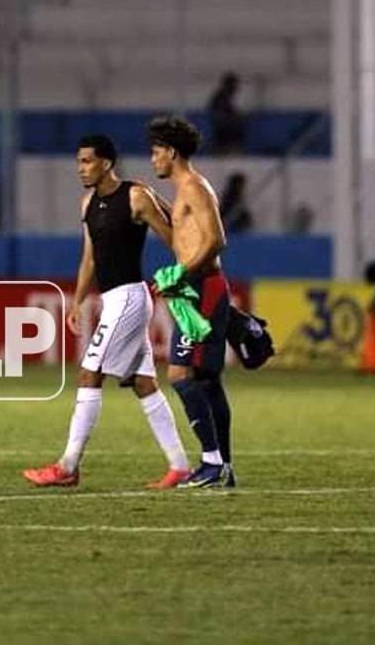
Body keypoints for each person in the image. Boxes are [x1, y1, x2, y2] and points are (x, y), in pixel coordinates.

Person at [22, 134, 191, 489]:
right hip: (112, 299)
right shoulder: (87, 204)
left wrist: (183, 274)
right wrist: (78, 300)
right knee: (144, 384)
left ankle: (68, 466)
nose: (80, 168)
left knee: (89, 374)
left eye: (86, 161)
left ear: (106, 163)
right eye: (79, 161)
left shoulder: (135, 196)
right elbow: (90, 258)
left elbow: (174, 237)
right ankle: (180, 466)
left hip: (130, 297)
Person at [147, 115, 235, 488]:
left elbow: (216, 240)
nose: (153, 160)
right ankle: (223, 467)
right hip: (196, 288)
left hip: (204, 288)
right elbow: (185, 241)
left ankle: (212, 462)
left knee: (181, 374)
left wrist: (182, 274)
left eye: (155, 153)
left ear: (171, 151)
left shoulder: (195, 187)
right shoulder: (183, 191)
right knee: (208, 380)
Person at [207, 72, 246, 154]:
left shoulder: (226, 97)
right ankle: (225, 149)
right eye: (234, 85)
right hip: (222, 129)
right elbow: (219, 114)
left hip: (225, 126)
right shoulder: (220, 98)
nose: (235, 88)